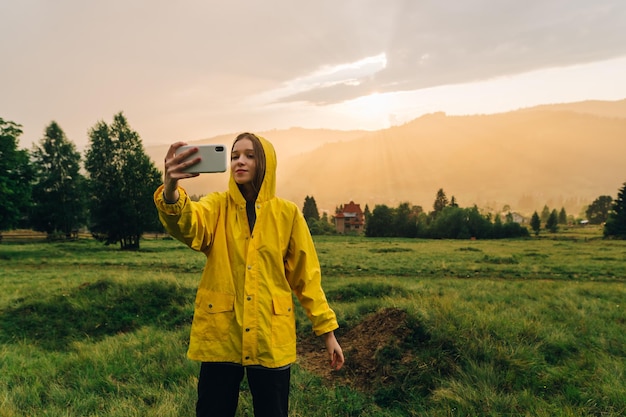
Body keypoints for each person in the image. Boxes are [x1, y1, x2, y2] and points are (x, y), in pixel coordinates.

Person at [154, 132, 344, 417]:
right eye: (234, 156)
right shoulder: (216, 206)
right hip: (221, 334)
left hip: (270, 335)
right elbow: (188, 224)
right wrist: (170, 187)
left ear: (266, 163)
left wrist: (327, 333)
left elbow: (307, 278)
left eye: (249, 155)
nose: (239, 161)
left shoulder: (288, 214)